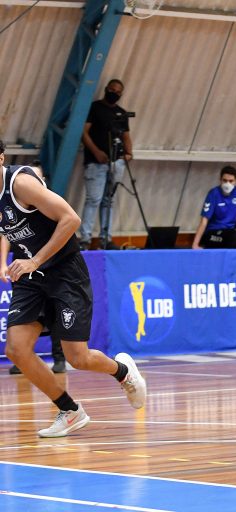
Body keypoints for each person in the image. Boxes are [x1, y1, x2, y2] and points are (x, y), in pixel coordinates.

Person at [0, 141, 147, 438]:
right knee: (16, 349)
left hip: (64, 271)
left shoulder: (21, 184)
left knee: (77, 358)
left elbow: (71, 219)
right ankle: (70, 411)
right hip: (31, 276)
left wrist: (35, 260)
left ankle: (123, 372)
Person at [3, 164, 66, 375]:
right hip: (25, 268)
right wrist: (2, 263)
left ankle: (59, 357)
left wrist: (38, 260)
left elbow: (70, 221)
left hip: (52, 265)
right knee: (25, 319)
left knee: (55, 313)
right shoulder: (10, 202)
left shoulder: (46, 202)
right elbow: (5, 235)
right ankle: (21, 355)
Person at [79, 78, 133, 251]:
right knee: (93, 199)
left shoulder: (121, 113)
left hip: (116, 162)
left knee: (109, 200)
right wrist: (96, 151)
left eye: (118, 92)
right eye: (112, 90)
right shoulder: (95, 108)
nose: (114, 94)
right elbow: (84, 133)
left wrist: (129, 153)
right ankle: (85, 238)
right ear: (106, 89)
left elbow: (126, 136)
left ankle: (105, 238)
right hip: (96, 162)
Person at [191, 165, 236, 249]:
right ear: (220, 180)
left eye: (231, 181)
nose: (228, 184)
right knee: (235, 237)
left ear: (235, 181)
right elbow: (204, 220)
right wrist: (195, 244)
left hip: (231, 230)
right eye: (225, 180)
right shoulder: (213, 193)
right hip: (214, 232)